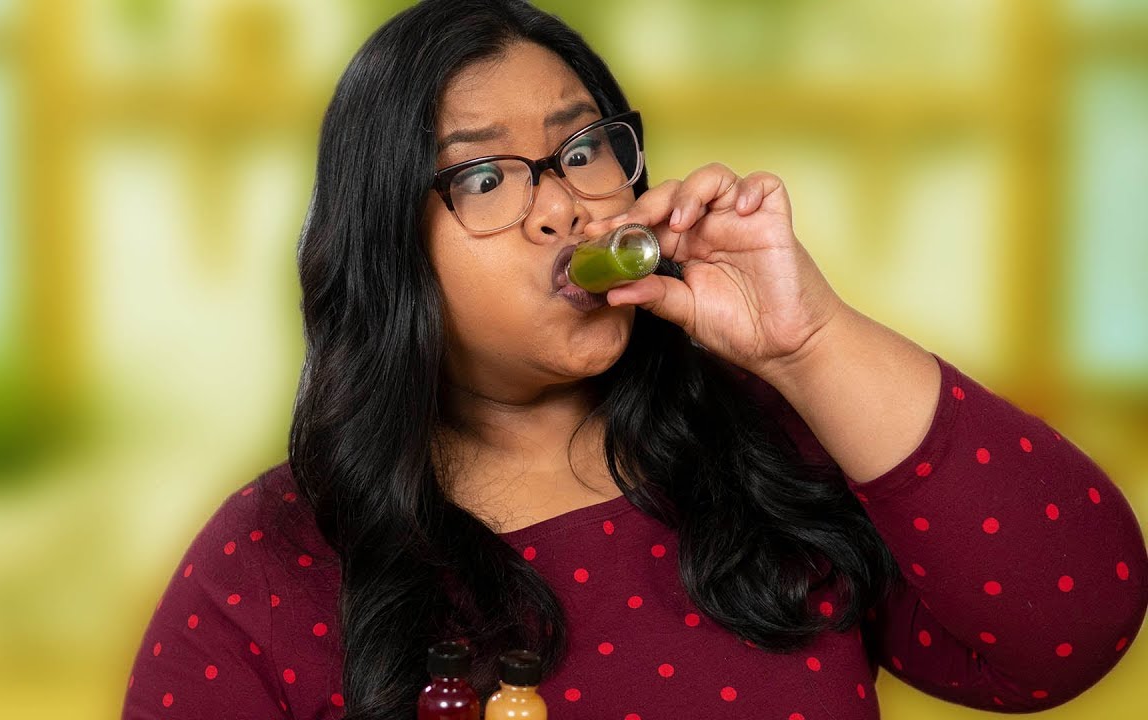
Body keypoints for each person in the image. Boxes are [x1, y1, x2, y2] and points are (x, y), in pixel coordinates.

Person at [122, 1, 1148, 718]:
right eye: (485, 177)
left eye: (582, 151)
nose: (567, 205)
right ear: (387, 246)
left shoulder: (771, 450)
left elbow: (1069, 626)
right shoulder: (266, 568)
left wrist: (809, 342)